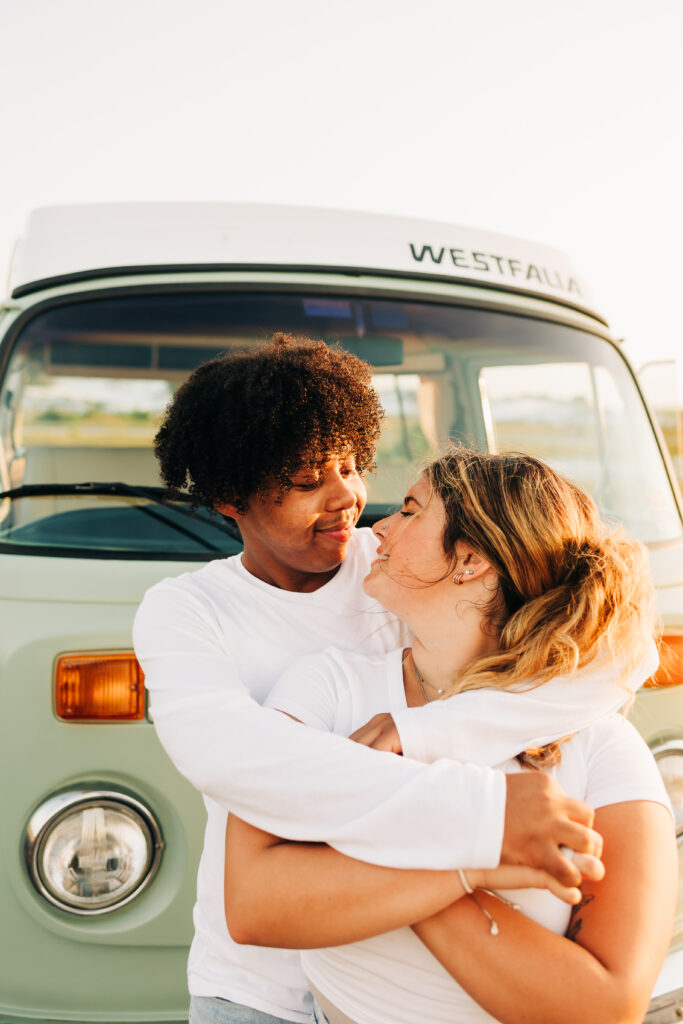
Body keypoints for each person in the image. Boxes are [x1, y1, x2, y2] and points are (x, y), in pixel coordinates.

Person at [134, 336, 653, 1024]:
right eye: (304, 480)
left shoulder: (391, 572)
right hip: (258, 985)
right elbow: (230, 755)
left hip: (412, 972)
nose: (349, 499)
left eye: (351, 465)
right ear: (231, 496)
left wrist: (424, 731)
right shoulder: (188, 611)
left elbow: (611, 662)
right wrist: (481, 823)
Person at [225, 447, 676, 1024]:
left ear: (469, 560)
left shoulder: (601, 747)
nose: (378, 527)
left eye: (410, 511)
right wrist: (477, 857)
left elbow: (606, 1007)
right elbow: (253, 903)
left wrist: (372, 841)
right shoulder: (328, 690)